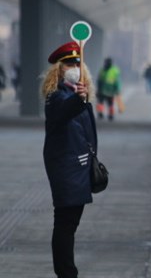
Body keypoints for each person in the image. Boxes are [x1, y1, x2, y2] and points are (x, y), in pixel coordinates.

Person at [41, 41, 98, 278]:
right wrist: (79, 99)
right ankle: (67, 273)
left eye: (77, 63)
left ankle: (66, 272)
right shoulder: (57, 97)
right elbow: (66, 110)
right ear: (59, 69)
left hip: (78, 169)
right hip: (67, 170)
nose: (74, 68)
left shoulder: (75, 94)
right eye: (68, 64)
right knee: (65, 224)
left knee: (69, 224)